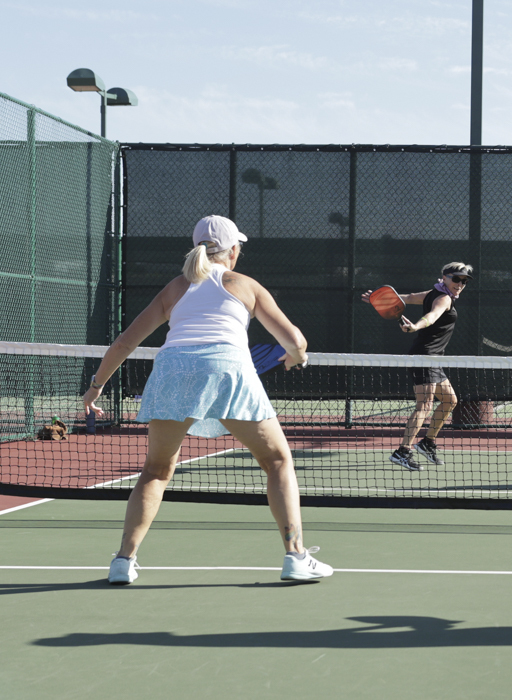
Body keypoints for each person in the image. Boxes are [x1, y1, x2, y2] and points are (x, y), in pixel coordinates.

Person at [83, 215, 333, 585]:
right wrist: (296, 356)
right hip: (227, 369)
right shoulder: (244, 284)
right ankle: (296, 556)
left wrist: (95, 386)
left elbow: (124, 343)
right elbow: (295, 341)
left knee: (155, 471)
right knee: (278, 461)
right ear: (233, 251)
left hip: (172, 371)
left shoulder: (175, 288)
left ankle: (123, 561)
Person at [362, 262, 473, 471]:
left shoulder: (433, 293)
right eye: (456, 279)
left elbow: (410, 297)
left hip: (433, 359)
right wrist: (416, 326)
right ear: (445, 277)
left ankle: (427, 443)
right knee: (424, 406)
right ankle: (402, 451)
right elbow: (432, 316)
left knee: (450, 401)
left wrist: (380, 300)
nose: (460, 284)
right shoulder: (443, 298)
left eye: (464, 281)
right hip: (424, 357)